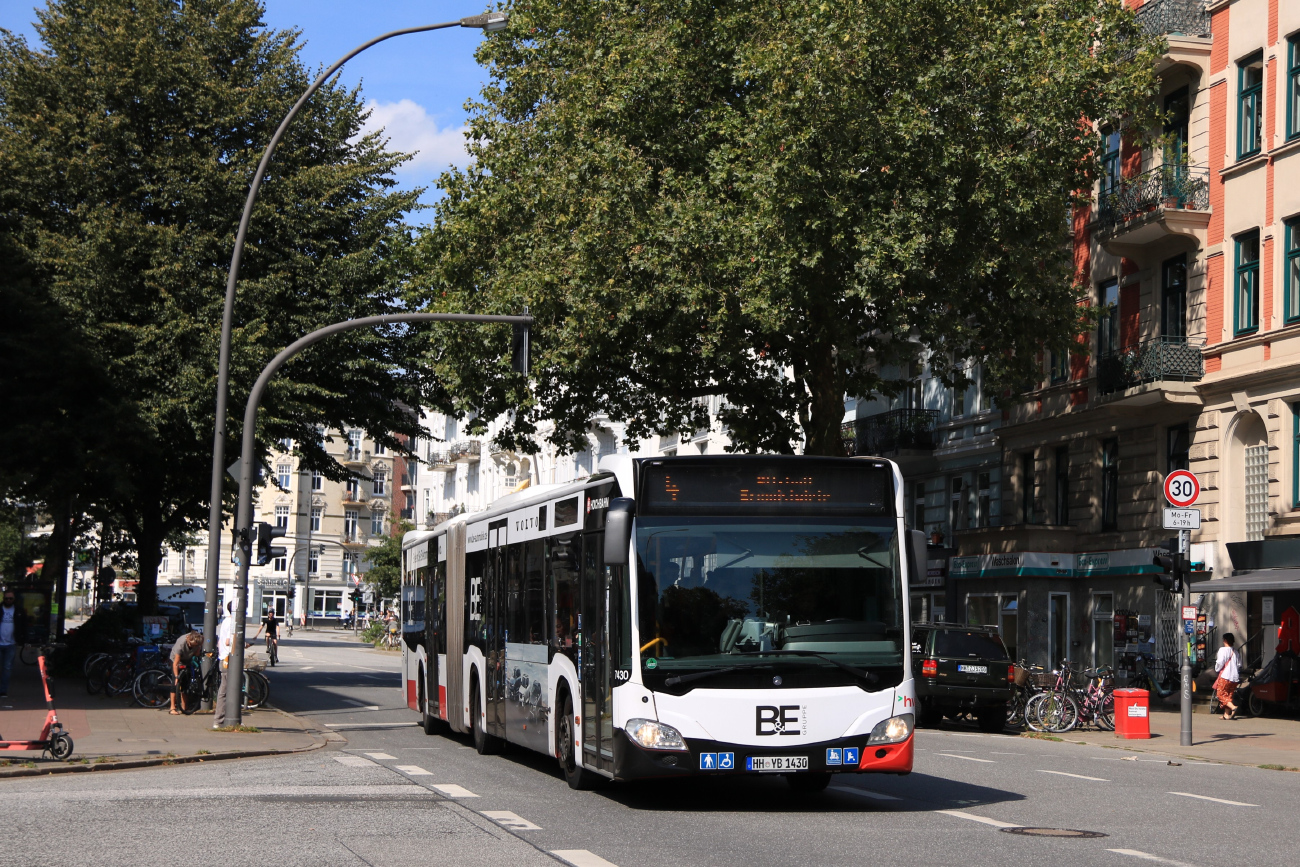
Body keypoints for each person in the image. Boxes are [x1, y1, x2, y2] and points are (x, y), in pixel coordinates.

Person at [0, 590, 29, 698]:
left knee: (7, 668)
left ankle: (3, 691)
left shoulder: (19, 611)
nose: (8, 600)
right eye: (6, 598)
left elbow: (24, 626)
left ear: (14, 599)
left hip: (11, 644)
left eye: (10, 598)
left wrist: (24, 641)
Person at [169, 631, 204, 715]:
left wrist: (197, 649)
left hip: (187, 659)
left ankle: (184, 707)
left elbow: (197, 653)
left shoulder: (198, 641)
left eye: (196, 645)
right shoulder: (181, 644)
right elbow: (176, 663)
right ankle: (172, 708)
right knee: (175, 683)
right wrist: (177, 676)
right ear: (188, 640)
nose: (194, 646)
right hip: (176, 660)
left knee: (186, 684)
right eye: (192, 645)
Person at [213, 601, 235, 728]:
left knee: (227, 689)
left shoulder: (226, 621)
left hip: (225, 657)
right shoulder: (231, 622)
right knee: (225, 690)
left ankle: (228, 718)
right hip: (227, 659)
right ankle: (219, 720)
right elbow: (228, 641)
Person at [1214, 632, 1242, 720]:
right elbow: (1239, 664)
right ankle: (1226, 715)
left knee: (1220, 694)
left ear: (1225, 640)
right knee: (1228, 695)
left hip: (1225, 676)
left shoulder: (1222, 650)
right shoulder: (1236, 651)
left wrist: (1217, 669)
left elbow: (1220, 662)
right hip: (1234, 677)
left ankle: (1233, 707)